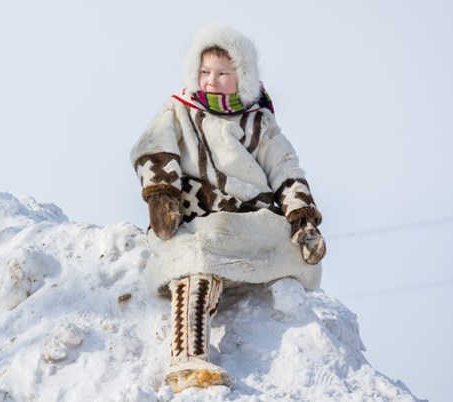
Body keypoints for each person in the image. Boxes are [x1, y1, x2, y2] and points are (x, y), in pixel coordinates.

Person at [129, 26, 327, 393]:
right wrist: (162, 195)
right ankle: (188, 357)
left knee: (285, 247)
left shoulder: (260, 122)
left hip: (253, 221)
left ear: (243, 76)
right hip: (198, 220)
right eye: (205, 72)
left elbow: (285, 169)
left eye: (223, 73)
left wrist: (302, 220)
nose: (212, 81)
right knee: (196, 259)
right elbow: (152, 148)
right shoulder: (179, 110)